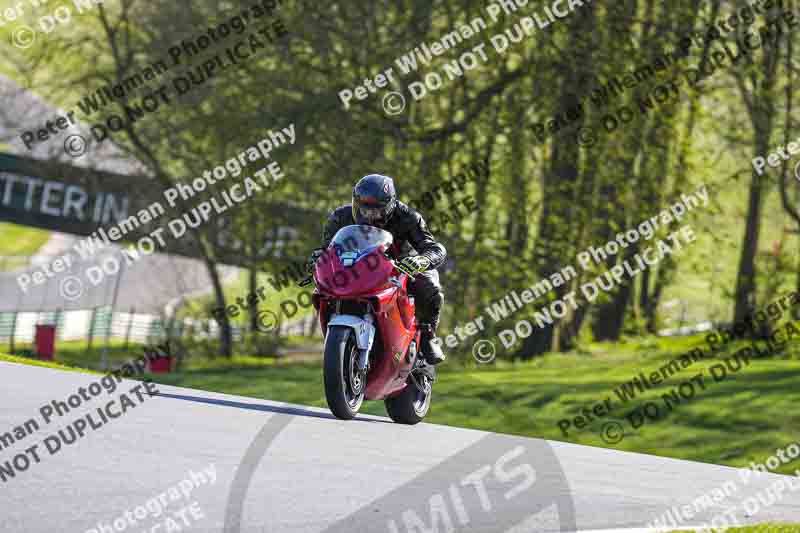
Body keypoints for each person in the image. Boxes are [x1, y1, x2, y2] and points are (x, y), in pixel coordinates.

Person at [311, 174, 447, 365]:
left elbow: (434, 247)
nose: (369, 216)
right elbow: (328, 249)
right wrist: (318, 258)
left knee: (430, 287)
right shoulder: (340, 217)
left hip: (402, 266)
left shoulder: (408, 217)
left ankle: (427, 335)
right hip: (359, 269)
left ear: (391, 205)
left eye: (376, 211)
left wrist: (422, 260)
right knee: (321, 288)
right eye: (364, 209)